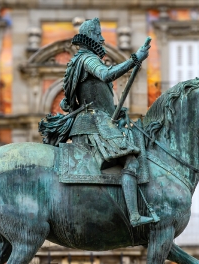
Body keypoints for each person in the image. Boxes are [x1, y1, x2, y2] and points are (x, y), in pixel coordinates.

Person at [61, 18, 154, 227]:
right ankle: (134, 215)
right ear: (90, 37)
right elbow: (107, 74)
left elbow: (67, 101)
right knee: (130, 160)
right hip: (94, 124)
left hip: (95, 120)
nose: (102, 39)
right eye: (98, 34)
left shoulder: (78, 62)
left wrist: (115, 111)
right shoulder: (87, 59)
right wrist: (134, 59)